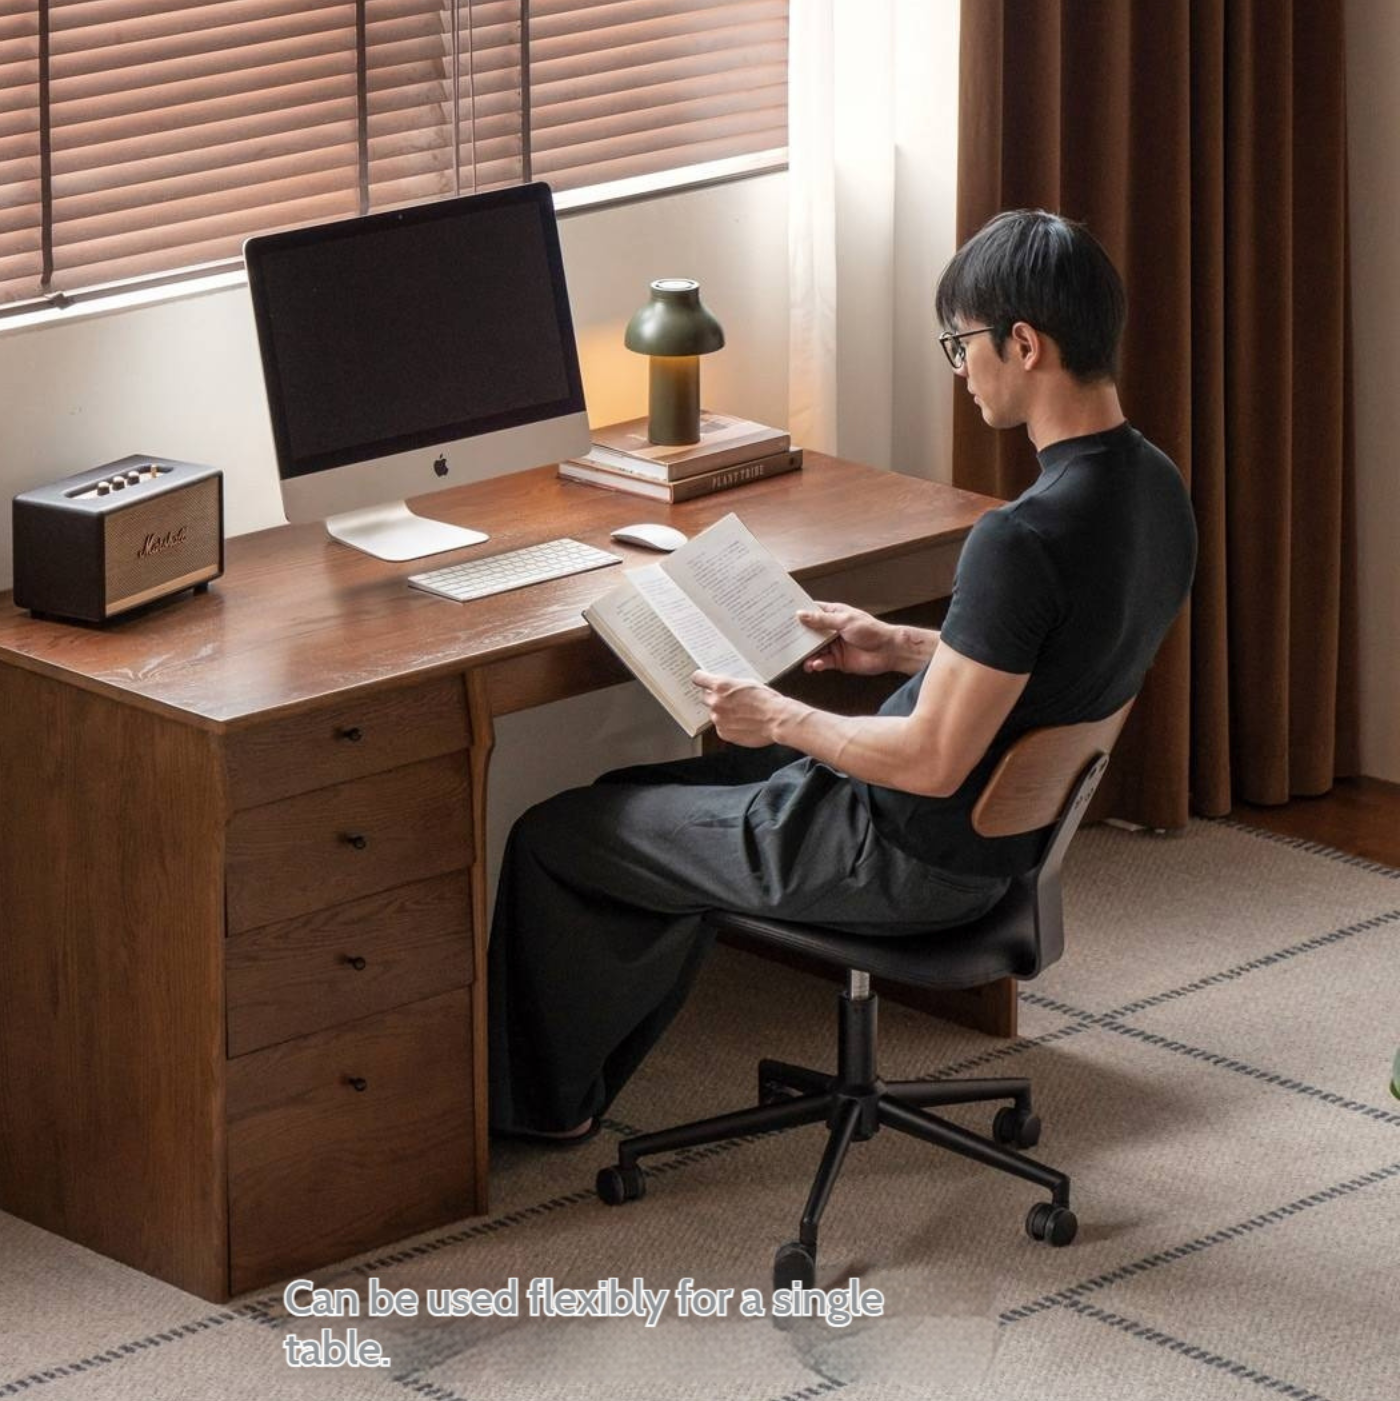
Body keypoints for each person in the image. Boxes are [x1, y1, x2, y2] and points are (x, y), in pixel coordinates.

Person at [488, 209, 1198, 1143]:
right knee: (644, 794)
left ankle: (541, 1119)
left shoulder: (1019, 539)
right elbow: (1050, 668)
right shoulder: (1154, 490)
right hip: (991, 853)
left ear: (1024, 344)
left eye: (963, 343)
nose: (961, 369)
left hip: (898, 853)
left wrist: (778, 716)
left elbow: (934, 762)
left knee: (561, 832)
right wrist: (897, 647)